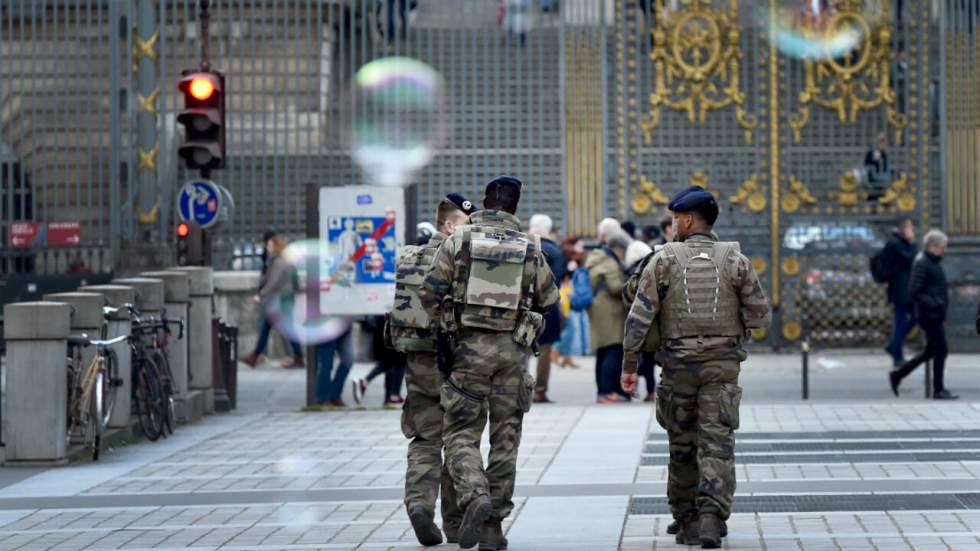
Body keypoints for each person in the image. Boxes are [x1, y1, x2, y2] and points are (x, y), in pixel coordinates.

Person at [621, 186, 771, 548]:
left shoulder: (664, 260)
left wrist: (629, 365)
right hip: (721, 367)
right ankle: (711, 517)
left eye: (675, 219)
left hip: (678, 366)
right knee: (717, 441)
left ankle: (686, 518)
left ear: (687, 220)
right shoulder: (735, 261)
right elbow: (761, 315)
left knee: (682, 442)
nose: (673, 226)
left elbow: (638, 318)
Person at [421, 176, 558, 550]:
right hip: (513, 355)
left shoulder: (458, 240)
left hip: (466, 354)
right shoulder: (529, 247)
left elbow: (429, 293)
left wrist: (450, 323)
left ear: (484, 203)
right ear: (514, 207)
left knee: (461, 433)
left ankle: (475, 496)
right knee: (505, 439)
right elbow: (549, 296)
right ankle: (493, 526)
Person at [387, 193, 475, 546]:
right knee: (457, 437)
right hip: (456, 363)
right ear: (449, 224)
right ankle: (454, 523)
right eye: (466, 225)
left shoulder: (408, 256)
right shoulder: (464, 259)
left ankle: (419, 504)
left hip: (418, 361)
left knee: (424, 439)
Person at [889, 229, 957, 400]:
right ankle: (938, 390)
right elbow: (914, 291)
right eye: (943, 247)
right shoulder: (922, 262)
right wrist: (934, 303)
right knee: (941, 350)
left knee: (930, 351)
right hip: (929, 315)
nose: (944, 250)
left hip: (935, 314)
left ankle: (898, 375)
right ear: (933, 247)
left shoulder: (931, 261)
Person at [243, 232, 304, 368]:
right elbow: (295, 281)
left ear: (276, 247)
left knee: (276, 327)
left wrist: (261, 294)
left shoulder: (278, 261)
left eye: (270, 246)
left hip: (280, 300)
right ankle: (256, 355)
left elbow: (274, 282)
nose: (268, 248)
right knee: (270, 327)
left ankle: (297, 357)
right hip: (286, 299)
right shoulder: (286, 260)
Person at [587, 223, 632, 403]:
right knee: (612, 350)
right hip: (609, 313)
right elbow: (616, 288)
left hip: (599, 310)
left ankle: (602, 391)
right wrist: (632, 284)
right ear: (619, 248)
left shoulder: (597, 257)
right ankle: (606, 392)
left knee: (603, 352)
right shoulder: (609, 262)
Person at [528, 213, 566, 403]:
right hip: (546, 307)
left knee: (520, 346)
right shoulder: (555, 251)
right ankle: (540, 391)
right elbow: (557, 280)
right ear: (549, 229)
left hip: (522, 305)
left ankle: (517, 387)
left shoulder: (521, 245)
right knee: (544, 349)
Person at [623, 239, 657, 402]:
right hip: (651, 321)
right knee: (649, 360)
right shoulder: (652, 266)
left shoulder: (630, 270)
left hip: (633, 319)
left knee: (635, 356)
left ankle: (632, 385)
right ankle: (651, 391)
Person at [882, 219, 917, 367]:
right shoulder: (895, 243)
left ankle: (892, 345)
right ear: (902, 228)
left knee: (916, 316)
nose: (911, 230)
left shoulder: (898, 242)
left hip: (906, 289)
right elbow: (909, 258)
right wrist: (912, 242)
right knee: (900, 323)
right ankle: (897, 357)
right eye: (909, 227)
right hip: (900, 290)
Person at [353, 315, 407, 408]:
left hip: (384, 321)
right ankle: (393, 396)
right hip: (394, 321)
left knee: (391, 360)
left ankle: (388, 396)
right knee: (399, 359)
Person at [315, 325, 354, 408]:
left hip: (343, 324)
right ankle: (322, 399)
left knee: (348, 360)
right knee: (326, 364)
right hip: (327, 325)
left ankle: (334, 395)